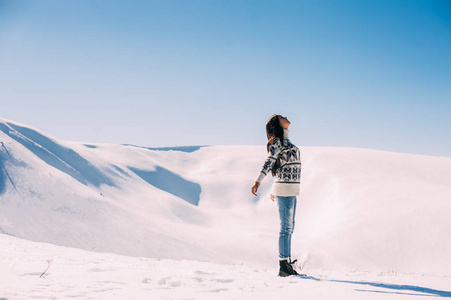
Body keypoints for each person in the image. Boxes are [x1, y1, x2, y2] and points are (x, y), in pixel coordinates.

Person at [251, 114, 302, 277]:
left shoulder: (286, 142)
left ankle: (286, 263)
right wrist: (258, 181)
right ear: (278, 124)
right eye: (282, 117)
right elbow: (269, 161)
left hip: (292, 190)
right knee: (286, 228)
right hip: (285, 190)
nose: (286, 117)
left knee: (290, 227)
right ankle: (283, 266)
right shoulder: (278, 142)